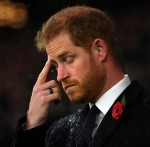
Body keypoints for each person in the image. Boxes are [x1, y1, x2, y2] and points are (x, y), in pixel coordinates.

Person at [13, 6, 150, 147]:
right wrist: (32, 124)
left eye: (68, 59)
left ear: (99, 50)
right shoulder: (59, 132)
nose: (59, 76)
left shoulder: (145, 116)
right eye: (55, 66)